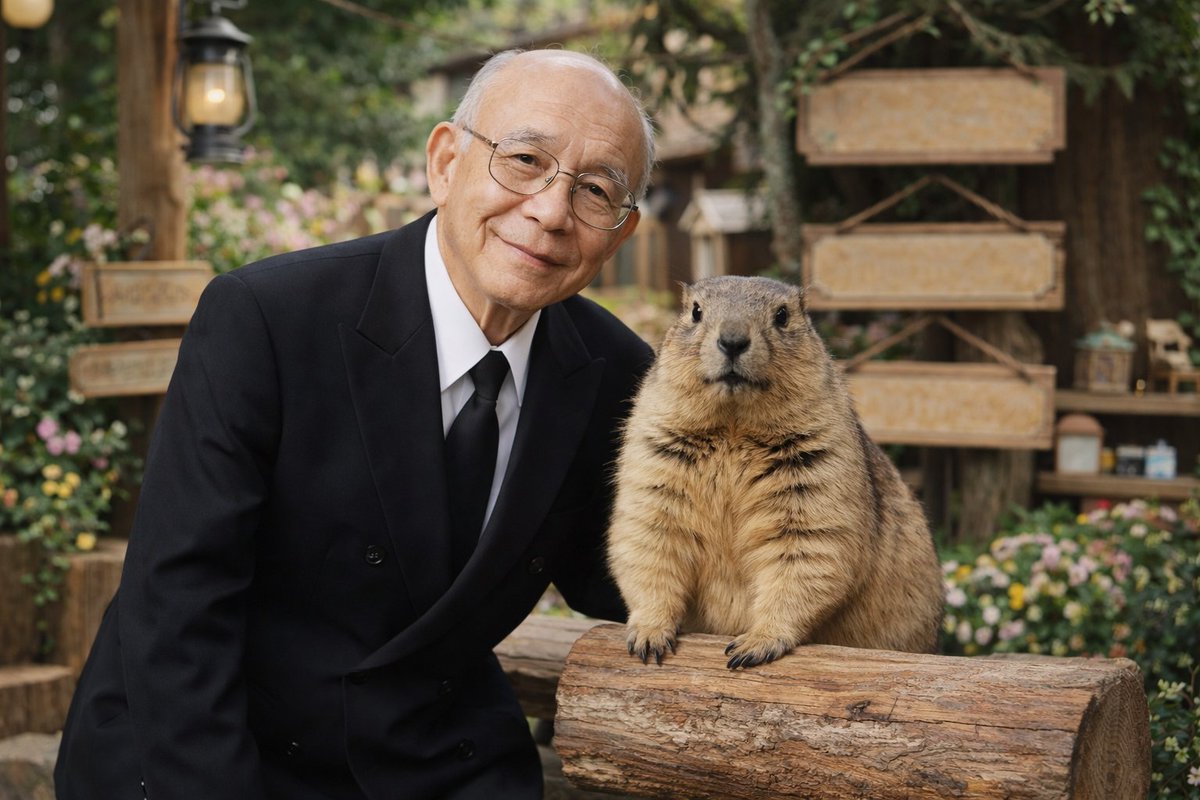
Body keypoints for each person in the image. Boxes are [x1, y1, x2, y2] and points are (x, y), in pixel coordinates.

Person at [55, 48, 656, 800]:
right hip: (214, 739)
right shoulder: (268, 320)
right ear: (445, 163)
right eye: (525, 160)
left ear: (621, 233)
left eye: (596, 190)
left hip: (431, 750)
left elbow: (633, 579)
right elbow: (178, 610)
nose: (551, 211)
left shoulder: (617, 374)